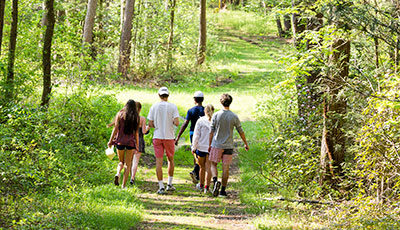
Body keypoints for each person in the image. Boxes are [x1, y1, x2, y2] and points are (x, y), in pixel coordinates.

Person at [208, 94, 249, 197]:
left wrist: (209, 144)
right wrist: (245, 143)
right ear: (230, 102)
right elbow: (240, 131)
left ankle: (215, 180)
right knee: (226, 168)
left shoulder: (216, 115)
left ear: (221, 102)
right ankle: (223, 191)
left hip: (217, 144)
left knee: (213, 164)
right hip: (228, 146)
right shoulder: (234, 116)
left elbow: (211, 131)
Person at [148, 87, 180, 194]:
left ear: (159, 95)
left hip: (157, 136)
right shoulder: (173, 106)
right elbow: (176, 122)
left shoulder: (154, 106)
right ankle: (169, 184)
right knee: (170, 159)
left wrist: (157, 124)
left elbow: (150, 124)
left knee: (159, 162)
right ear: (168, 96)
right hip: (169, 137)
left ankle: (161, 186)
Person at [108, 99, 139, 189]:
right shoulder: (136, 117)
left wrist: (110, 141)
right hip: (130, 143)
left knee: (121, 162)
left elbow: (115, 128)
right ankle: (123, 185)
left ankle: (118, 173)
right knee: (128, 164)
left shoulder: (120, 114)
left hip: (120, 141)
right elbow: (136, 132)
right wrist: (137, 144)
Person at [175, 91, 205, 184]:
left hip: (193, 133)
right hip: (204, 133)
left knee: (195, 152)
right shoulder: (206, 110)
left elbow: (185, 123)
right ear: (202, 100)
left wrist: (178, 136)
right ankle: (197, 173)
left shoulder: (191, 110)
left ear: (195, 100)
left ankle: (196, 171)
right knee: (200, 153)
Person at [191, 104, 214, 193]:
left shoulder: (200, 121)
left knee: (202, 167)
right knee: (209, 168)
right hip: (210, 148)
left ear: (205, 111)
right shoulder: (214, 121)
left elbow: (196, 135)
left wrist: (194, 147)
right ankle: (207, 187)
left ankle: (201, 184)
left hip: (201, 147)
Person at [130, 101, 150, 185]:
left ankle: (126, 176)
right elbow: (144, 131)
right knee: (136, 161)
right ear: (140, 109)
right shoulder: (142, 119)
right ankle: (132, 178)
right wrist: (148, 127)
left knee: (129, 161)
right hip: (140, 140)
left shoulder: (129, 118)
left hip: (130, 140)